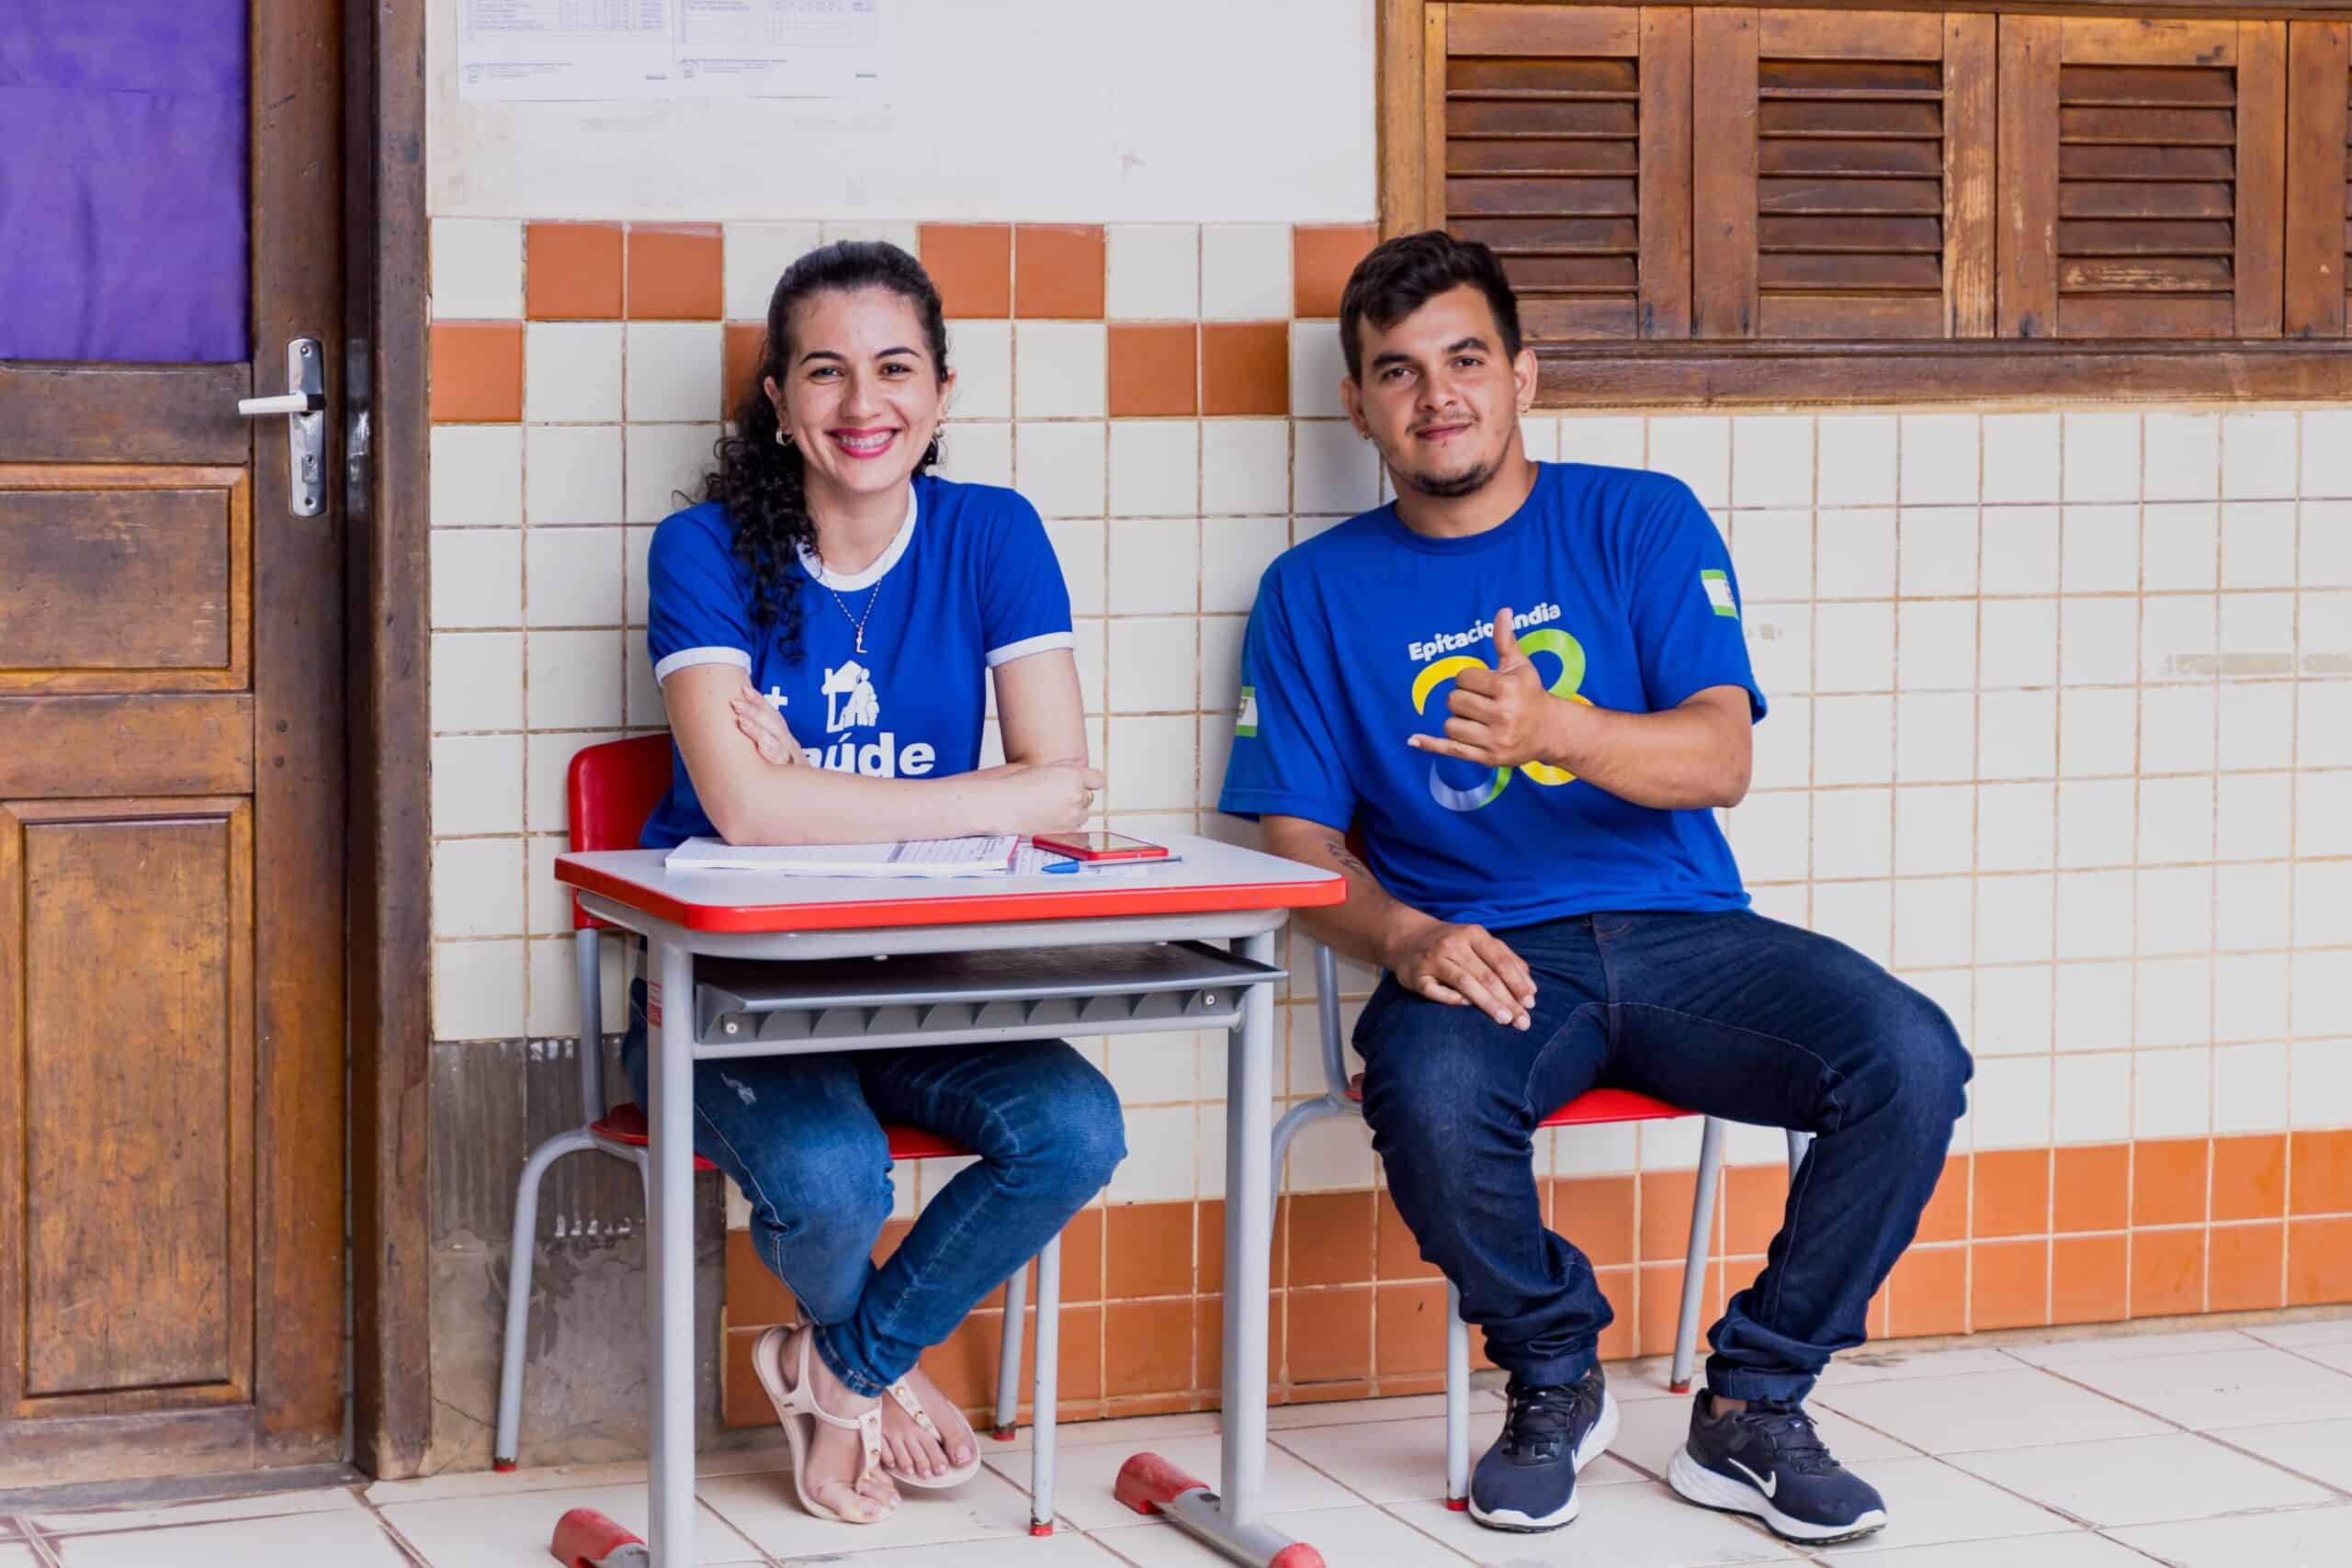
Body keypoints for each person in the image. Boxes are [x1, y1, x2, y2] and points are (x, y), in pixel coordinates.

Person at [1217, 231, 1971, 1543]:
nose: (1436, 395)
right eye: (1398, 372)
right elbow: (1295, 851)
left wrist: (1552, 729)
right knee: (1426, 1090)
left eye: (1466, 360)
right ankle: (1555, 1375)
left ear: (1523, 376)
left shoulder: (1639, 516)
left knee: (1910, 1056)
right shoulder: (1310, 593)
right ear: (1358, 405)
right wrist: (1405, 936)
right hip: (1489, 953)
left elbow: (1720, 759)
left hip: (1687, 935)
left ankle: (1753, 1406)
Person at [625, 241, 1125, 1526]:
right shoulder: (700, 550)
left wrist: (816, 795)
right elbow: (743, 812)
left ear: (942, 392)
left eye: (896, 369)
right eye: (826, 372)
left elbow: (1063, 787)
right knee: (838, 1179)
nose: (864, 404)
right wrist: (964, 800)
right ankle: (880, 1375)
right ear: (779, 400)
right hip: (725, 994)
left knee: (1077, 1129)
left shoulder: (993, 534)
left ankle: (839, 1369)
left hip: (916, 981)